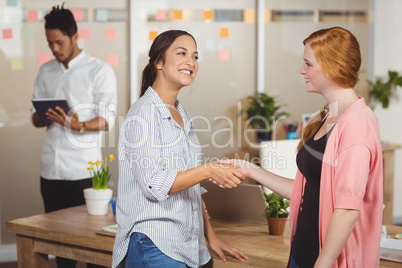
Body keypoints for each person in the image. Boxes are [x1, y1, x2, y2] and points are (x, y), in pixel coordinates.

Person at [220, 27, 383, 267]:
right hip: (302, 252)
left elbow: (347, 209)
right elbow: (307, 190)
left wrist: (323, 263)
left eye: (308, 64)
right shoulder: (327, 116)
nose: (302, 70)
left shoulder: (357, 124)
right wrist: (249, 170)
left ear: (333, 67)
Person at [112, 30, 249, 268]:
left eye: (195, 57)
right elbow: (154, 185)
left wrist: (210, 236)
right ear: (158, 62)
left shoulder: (180, 113)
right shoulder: (143, 114)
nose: (191, 62)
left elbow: (190, 188)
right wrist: (208, 170)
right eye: (182, 53)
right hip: (154, 242)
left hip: (187, 244)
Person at [30, 4, 117, 268]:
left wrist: (76, 124)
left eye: (59, 42)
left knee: (93, 245)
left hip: (85, 173)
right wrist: (45, 115)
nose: (55, 49)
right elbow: (33, 117)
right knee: (61, 247)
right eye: (50, 43)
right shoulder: (46, 71)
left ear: (75, 36)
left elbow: (107, 121)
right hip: (51, 172)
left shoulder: (99, 70)